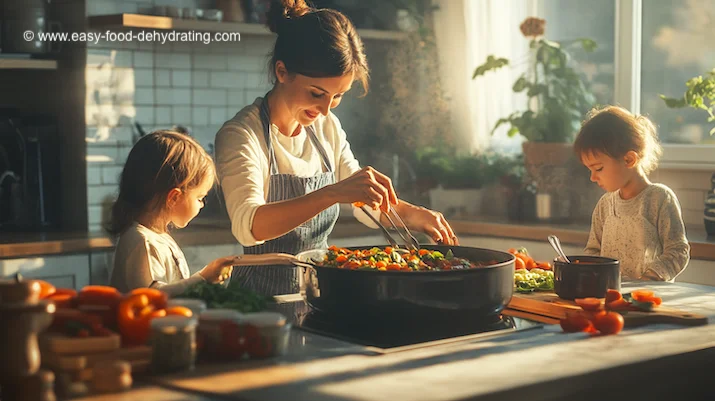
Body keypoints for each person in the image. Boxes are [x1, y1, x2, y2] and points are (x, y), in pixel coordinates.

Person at [214, 0, 458, 301]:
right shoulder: (242, 135)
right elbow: (249, 225)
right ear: (282, 72)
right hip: (257, 307)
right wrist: (332, 193)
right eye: (317, 93)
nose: (325, 108)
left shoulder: (326, 128)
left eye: (338, 96)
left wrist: (414, 214)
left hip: (319, 296)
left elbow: (363, 200)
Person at [108, 130, 239, 296]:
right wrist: (203, 278)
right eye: (199, 197)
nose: (202, 204)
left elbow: (174, 290)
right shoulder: (142, 242)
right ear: (174, 197)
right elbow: (153, 297)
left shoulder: (159, 237)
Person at [574, 105, 690, 282]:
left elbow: (678, 251)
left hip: (650, 299)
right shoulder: (605, 205)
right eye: (589, 170)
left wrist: (650, 278)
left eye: (598, 168)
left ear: (629, 159)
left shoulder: (659, 199)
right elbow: (593, 251)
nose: (592, 177)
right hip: (611, 297)